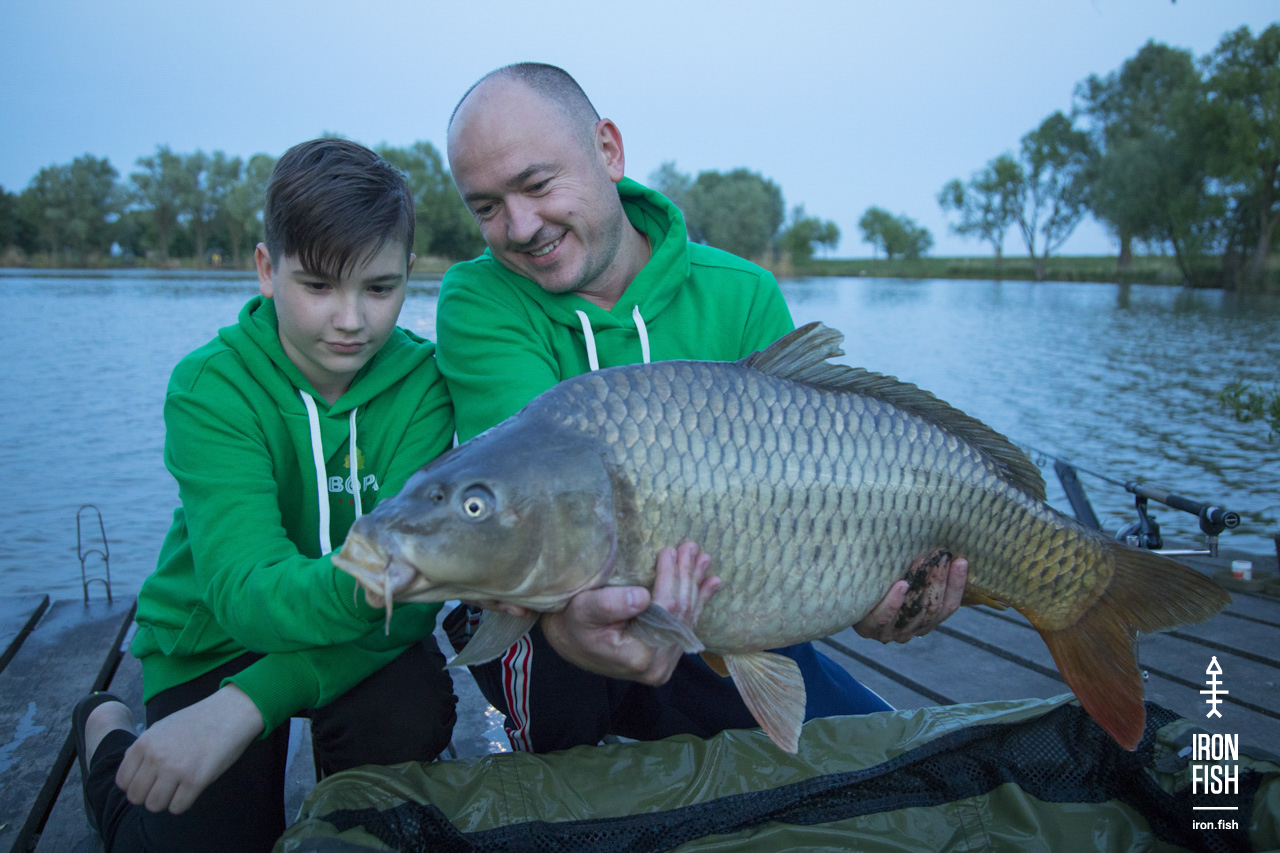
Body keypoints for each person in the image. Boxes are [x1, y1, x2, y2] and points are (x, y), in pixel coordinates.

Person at [436, 63, 967, 754]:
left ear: (608, 150)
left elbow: (807, 514)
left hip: (731, 617)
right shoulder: (479, 300)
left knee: (883, 754)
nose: (521, 225)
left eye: (538, 185)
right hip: (555, 639)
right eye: (486, 208)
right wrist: (569, 630)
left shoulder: (743, 294)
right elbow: (523, 508)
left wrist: (866, 591)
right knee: (552, 667)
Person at [71, 138, 458, 852]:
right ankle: (106, 737)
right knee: (186, 835)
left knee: (407, 719)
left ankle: (341, 815)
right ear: (265, 270)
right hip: (215, 636)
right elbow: (245, 591)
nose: (351, 319)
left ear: (409, 273)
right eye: (319, 286)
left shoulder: (425, 386)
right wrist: (389, 578)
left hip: (364, 639)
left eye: (379, 289)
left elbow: (411, 606)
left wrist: (253, 702)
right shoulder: (211, 385)